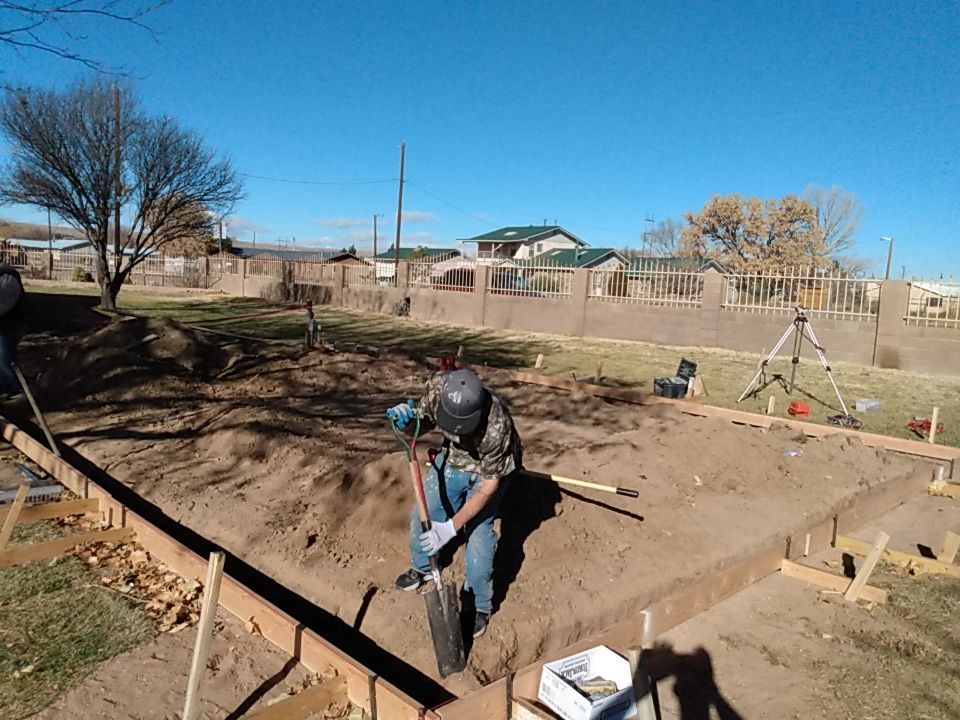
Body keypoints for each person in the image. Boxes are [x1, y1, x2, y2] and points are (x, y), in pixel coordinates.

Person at [387, 368, 522, 639]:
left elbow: (486, 489)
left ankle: (477, 605)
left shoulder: (497, 425)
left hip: (490, 470)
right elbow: (421, 422)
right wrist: (405, 421)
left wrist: (451, 527)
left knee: (479, 531)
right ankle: (423, 566)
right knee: (426, 511)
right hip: (454, 458)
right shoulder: (438, 388)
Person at [0, 263, 25, 397]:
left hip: (10, 325)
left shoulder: (7, 277)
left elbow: (4, 304)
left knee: (4, 357)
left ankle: (11, 387)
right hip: (5, 323)